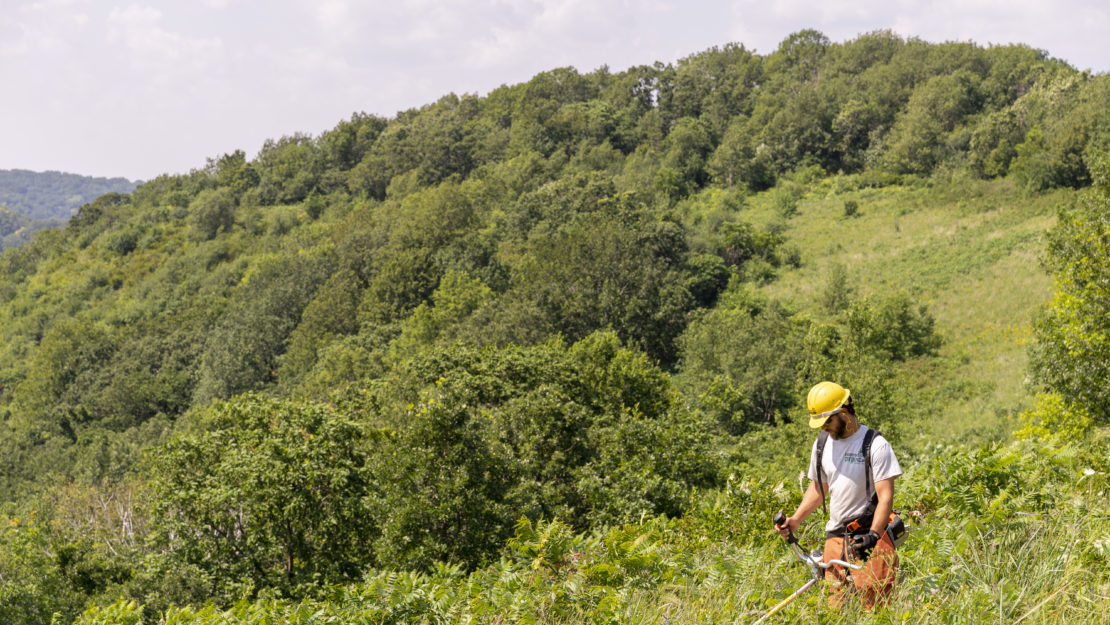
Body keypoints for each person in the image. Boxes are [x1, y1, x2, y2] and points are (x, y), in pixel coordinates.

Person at [775, 381, 902, 609]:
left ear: (843, 412)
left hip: (870, 538)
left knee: (876, 613)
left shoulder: (875, 445)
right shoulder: (822, 444)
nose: (823, 427)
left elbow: (885, 497)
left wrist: (872, 536)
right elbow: (818, 488)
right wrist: (795, 520)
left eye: (827, 421)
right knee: (835, 614)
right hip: (834, 540)